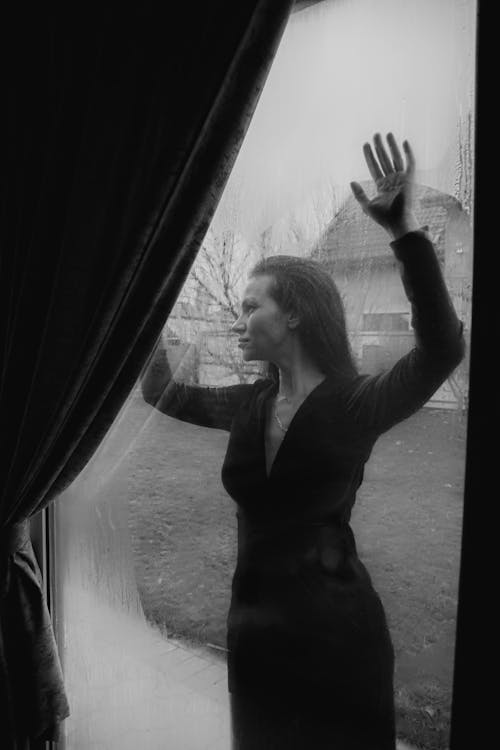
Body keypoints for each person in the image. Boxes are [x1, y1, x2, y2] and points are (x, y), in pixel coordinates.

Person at [141, 133, 465, 749]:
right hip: (255, 637)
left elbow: (443, 348)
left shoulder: (356, 403)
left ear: (292, 315)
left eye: (249, 306)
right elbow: (162, 391)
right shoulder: (248, 404)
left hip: (337, 647)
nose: (236, 321)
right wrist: (149, 286)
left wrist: (405, 233)